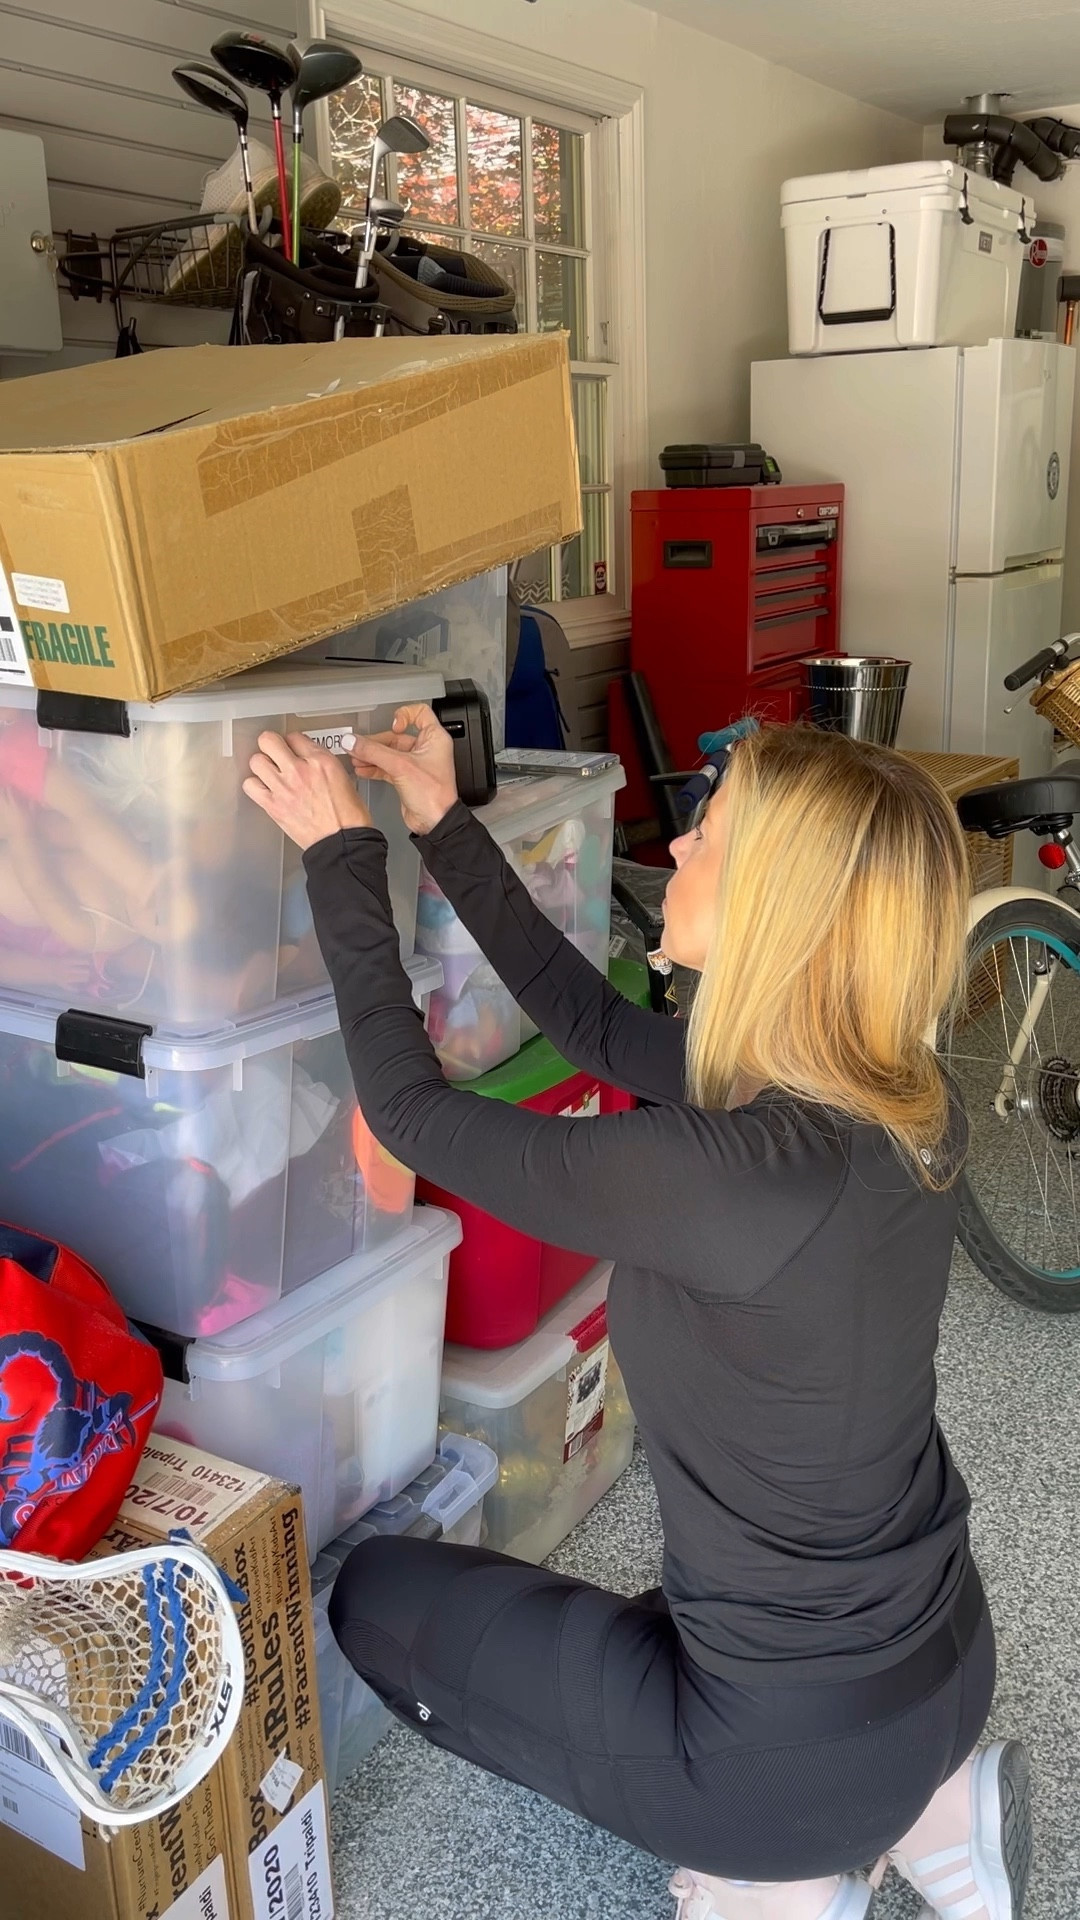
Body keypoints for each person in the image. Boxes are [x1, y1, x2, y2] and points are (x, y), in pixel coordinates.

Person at [243, 712, 1029, 1920]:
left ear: (776, 905)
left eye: (709, 836)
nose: (677, 851)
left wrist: (339, 853)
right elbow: (599, 1029)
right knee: (667, 1631)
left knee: (375, 1600)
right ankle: (929, 1810)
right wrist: (442, 823)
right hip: (946, 1660)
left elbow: (410, 1114)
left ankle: (780, 1881)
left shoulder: (728, 1178)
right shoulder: (899, 1102)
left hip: (782, 1766)